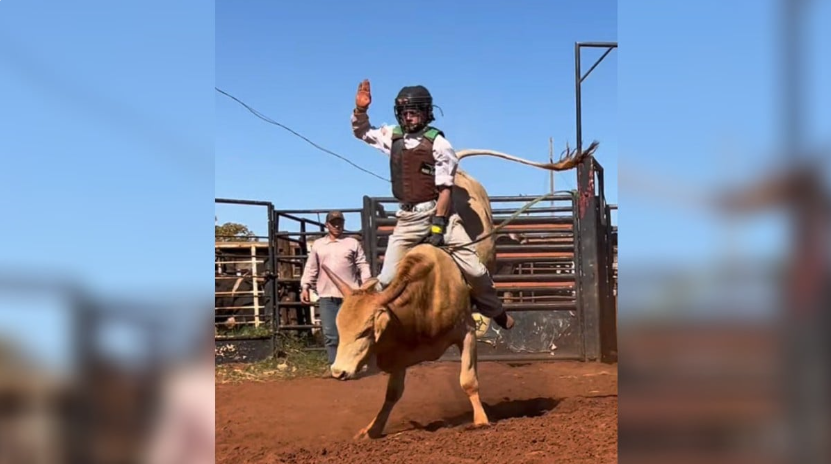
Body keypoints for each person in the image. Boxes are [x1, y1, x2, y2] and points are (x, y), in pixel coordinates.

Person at [350, 79, 514, 331]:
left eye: (414, 112)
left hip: (440, 215)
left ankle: (495, 310)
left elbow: (445, 189)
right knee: (386, 279)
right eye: (404, 112)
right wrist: (361, 110)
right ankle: (377, 331)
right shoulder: (392, 137)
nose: (408, 117)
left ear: (426, 113)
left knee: (475, 271)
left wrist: (438, 225)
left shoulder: (440, 144)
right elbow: (362, 132)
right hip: (407, 220)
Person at [300, 211, 372, 370]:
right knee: (330, 333)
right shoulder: (319, 245)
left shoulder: (352, 243)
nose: (337, 226)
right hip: (327, 295)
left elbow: (362, 264)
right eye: (334, 223)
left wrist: (366, 283)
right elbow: (311, 267)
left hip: (350, 296)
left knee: (352, 332)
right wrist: (305, 286)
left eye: (340, 222)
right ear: (327, 225)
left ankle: (355, 364)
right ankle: (334, 365)